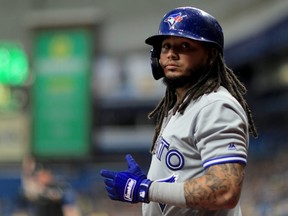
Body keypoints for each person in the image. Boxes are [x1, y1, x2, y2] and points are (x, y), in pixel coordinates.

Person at [100, 6, 258, 216]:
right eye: (166, 46)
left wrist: (146, 188)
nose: (171, 54)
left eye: (185, 45)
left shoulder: (215, 106)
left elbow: (224, 192)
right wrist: (149, 182)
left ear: (210, 56)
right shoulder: (181, 107)